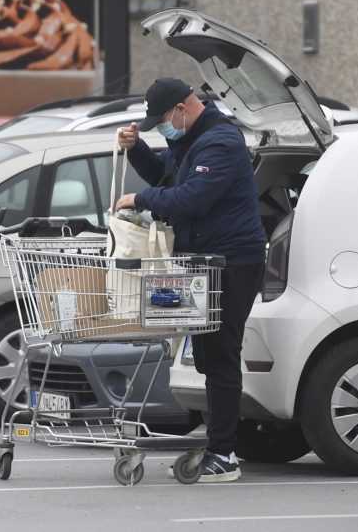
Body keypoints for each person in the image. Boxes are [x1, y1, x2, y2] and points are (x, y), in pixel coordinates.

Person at [115, 77, 266, 483]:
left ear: (183, 108)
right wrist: (137, 150)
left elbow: (190, 198)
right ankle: (218, 439)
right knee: (204, 354)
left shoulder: (221, 142)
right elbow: (168, 179)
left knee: (219, 353)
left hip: (232, 261)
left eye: (162, 119)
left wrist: (139, 200)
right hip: (203, 260)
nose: (162, 127)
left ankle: (224, 455)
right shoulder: (192, 139)